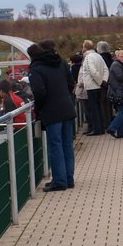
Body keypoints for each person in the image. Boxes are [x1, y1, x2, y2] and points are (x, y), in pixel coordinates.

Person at [27, 43, 76, 192]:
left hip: (51, 110)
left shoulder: (36, 67)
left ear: (31, 56)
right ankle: (68, 179)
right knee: (67, 145)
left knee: (55, 146)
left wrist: (39, 108)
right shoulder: (60, 61)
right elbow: (70, 83)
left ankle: (59, 181)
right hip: (67, 107)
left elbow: (39, 91)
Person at [82, 40, 109, 136]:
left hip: (92, 86)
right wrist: (104, 81)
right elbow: (106, 69)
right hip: (99, 85)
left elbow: (92, 72)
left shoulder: (88, 57)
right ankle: (101, 127)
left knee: (93, 108)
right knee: (99, 106)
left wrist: (100, 82)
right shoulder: (99, 56)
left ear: (85, 48)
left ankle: (97, 128)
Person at [105, 50, 123, 139]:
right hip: (117, 91)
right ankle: (112, 128)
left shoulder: (118, 64)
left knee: (122, 111)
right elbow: (120, 77)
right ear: (117, 57)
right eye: (121, 56)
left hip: (119, 90)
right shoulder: (116, 65)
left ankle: (121, 132)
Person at [97, 41, 114, 129]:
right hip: (110, 84)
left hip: (103, 84)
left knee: (103, 104)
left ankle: (105, 123)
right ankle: (109, 120)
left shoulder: (101, 59)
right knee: (108, 104)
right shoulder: (110, 58)